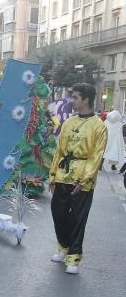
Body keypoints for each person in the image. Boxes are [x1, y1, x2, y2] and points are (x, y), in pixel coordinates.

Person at [49, 83, 108, 274]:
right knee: (57, 212)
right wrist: (52, 175)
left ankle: (73, 256)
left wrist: (84, 180)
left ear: (86, 100)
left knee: (78, 218)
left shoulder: (99, 126)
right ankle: (63, 246)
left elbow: (96, 156)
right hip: (63, 174)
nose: (72, 101)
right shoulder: (68, 123)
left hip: (82, 179)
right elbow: (59, 150)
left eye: (75, 97)